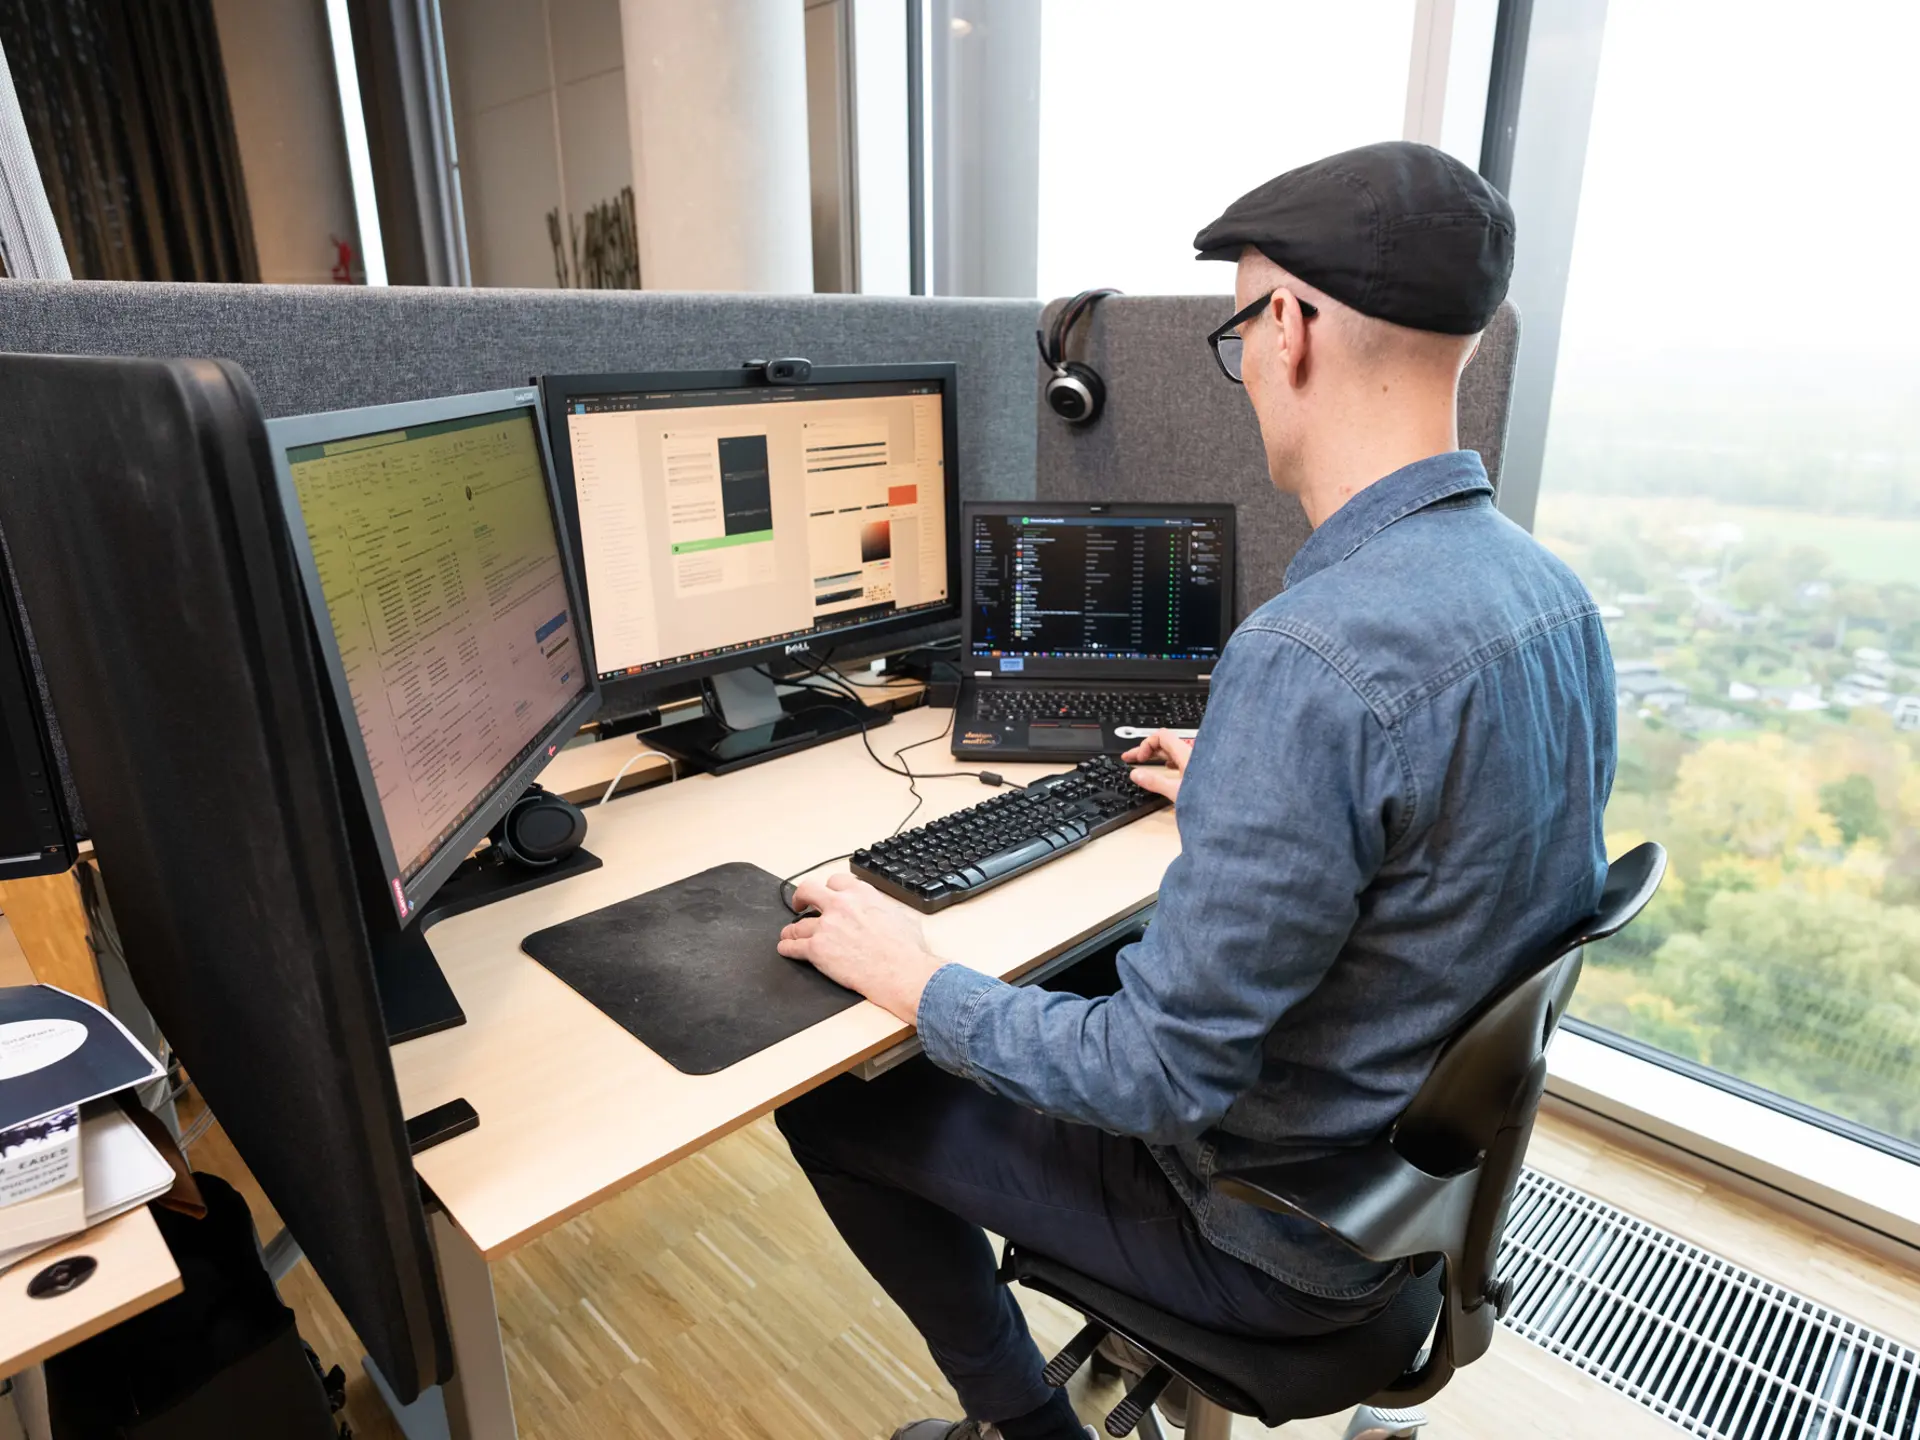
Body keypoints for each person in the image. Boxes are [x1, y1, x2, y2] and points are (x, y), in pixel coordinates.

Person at [773, 141, 1616, 1440]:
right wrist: (1250, 788)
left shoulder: (1313, 655)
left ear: (1288, 329)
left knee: (841, 1093)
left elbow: (1155, 1074)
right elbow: (1438, 851)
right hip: (1391, 1194)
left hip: (1266, 1235)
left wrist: (913, 976)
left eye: (1237, 332)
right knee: (1062, 972)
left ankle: (1029, 1428)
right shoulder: (1553, 601)